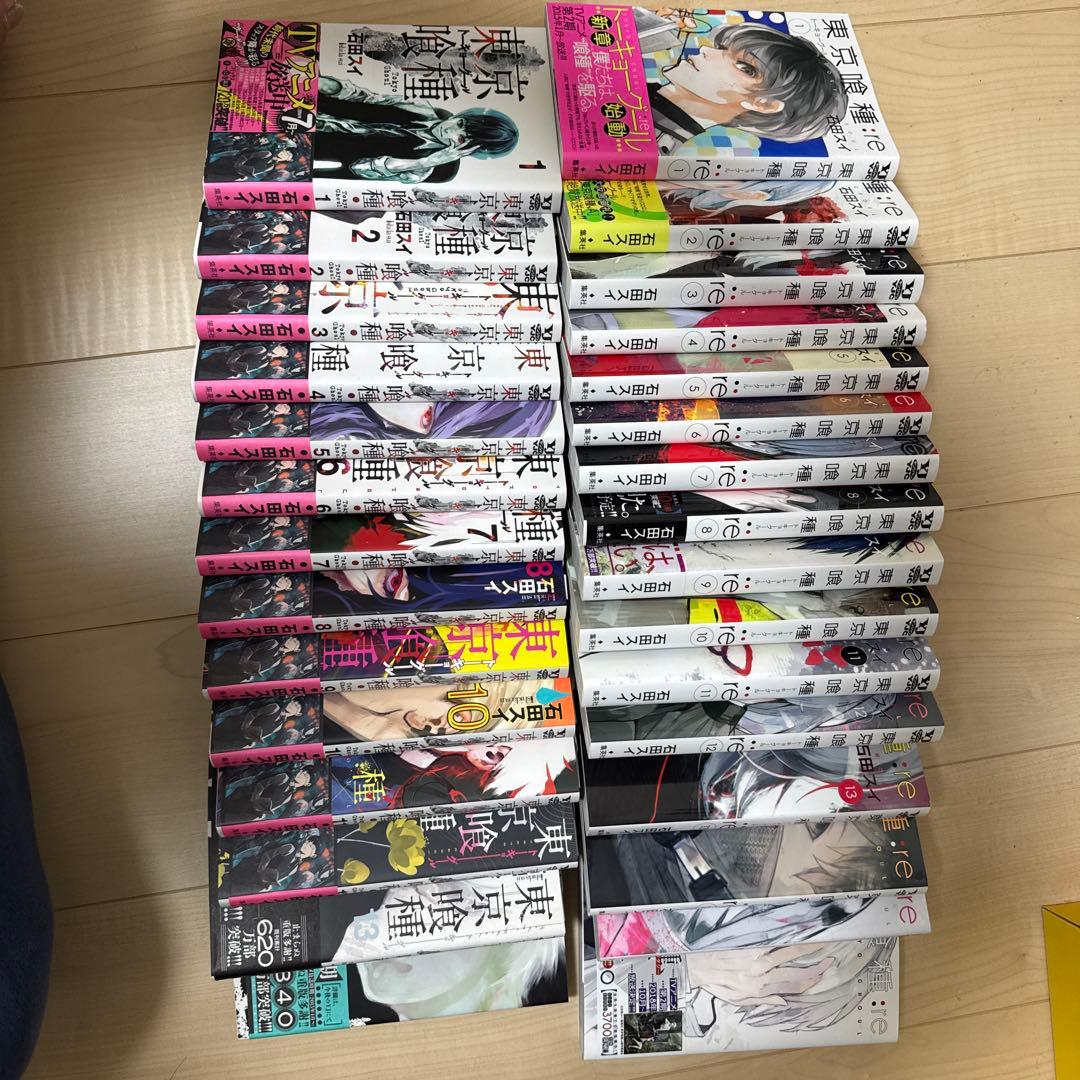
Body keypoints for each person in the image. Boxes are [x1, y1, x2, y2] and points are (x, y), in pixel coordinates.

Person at [313, 77, 519, 184]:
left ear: (467, 151)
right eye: (460, 124)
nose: (449, 130)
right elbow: (366, 97)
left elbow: (361, 169)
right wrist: (332, 86)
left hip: (314, 149)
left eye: (461, 138)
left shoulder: (423, 169)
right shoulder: (421, 108)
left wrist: (425, 162)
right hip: (316, 111)